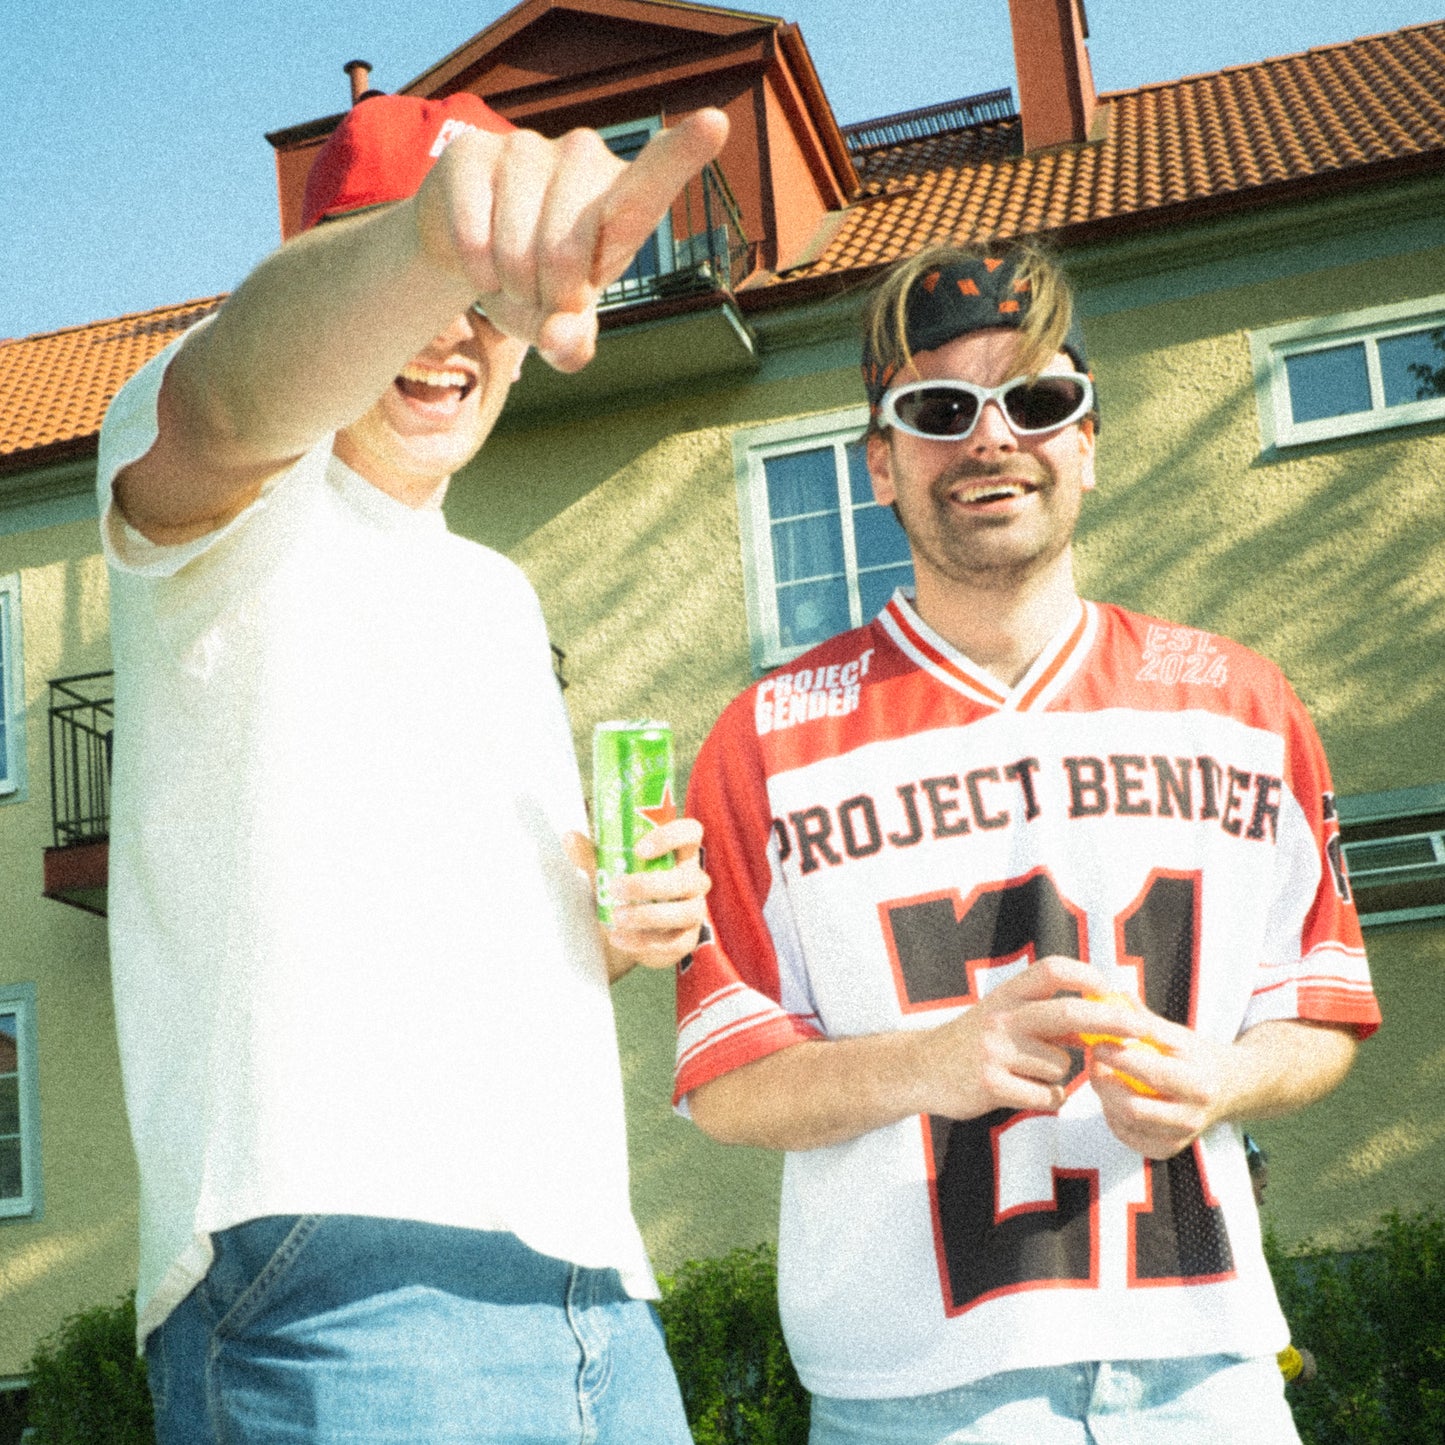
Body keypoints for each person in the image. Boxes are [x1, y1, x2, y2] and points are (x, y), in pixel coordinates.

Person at [98, 88, 727, 1444]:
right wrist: (439, 241)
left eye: (496, 300)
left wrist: (611, 930)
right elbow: (235, 394)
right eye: (421, 283)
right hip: (339, 1269)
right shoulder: (233, 495)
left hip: (590, 1282)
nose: (456, 333)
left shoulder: (496, 597)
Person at [674, 242, 1380, 1444]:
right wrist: (922, 1064)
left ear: (1089, 441)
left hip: (1205, 1371)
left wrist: (1223, 1077)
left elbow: (1316, 1011)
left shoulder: (1241, 702)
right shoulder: (764, 739)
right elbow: (724, 1082)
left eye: (1037, 400)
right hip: (915, 1394)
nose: (991, 439)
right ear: (880, 464)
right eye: (939, 410)